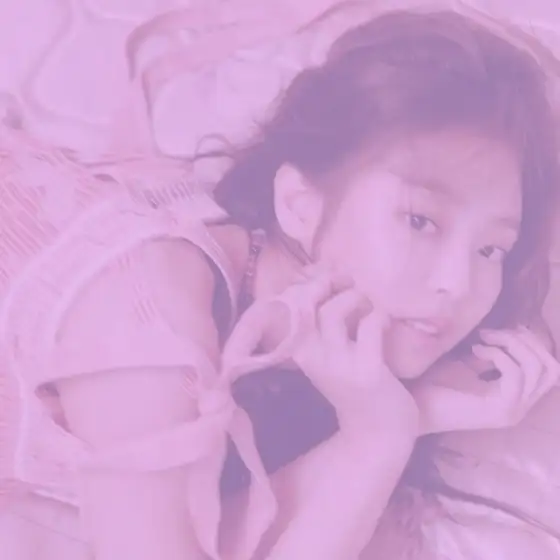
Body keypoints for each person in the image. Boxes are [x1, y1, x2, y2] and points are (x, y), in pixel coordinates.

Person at [0, 6, 560, 560]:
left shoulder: (307, 343)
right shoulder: (147, 313)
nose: (457, 284)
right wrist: (377, 440)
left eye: (491, 249)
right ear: (298, 205)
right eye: (420, 221)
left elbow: (222, 528)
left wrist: (405, 420)